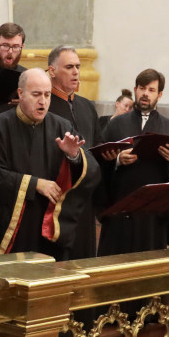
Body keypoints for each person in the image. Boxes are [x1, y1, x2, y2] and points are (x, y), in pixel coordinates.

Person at [0, 69, 100, 261]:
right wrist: (35, 184)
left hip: (49, 225)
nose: (43, 101)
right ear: (20, 93)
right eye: (36, 94)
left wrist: (74, 156)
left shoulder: (62, 126)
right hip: (14, 224)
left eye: (47, 94)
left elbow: (91, 171)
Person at [98, 68, 169, 257]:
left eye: (151, 90)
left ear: (160, 94)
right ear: (135, 90)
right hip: (120, 208)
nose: (145, 94)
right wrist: (117, 160)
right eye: (142, 88)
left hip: (153, 215)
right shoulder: (116, 124)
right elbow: (99, 158)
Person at [46, 45, 103, 259]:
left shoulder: (87, 106)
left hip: (84, 200)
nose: (76, 72)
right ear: (52, 71)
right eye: (69, 67)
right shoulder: (45, 105)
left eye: (78, 66)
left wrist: (114, 156)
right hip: (58, 199)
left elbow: (97, 145)